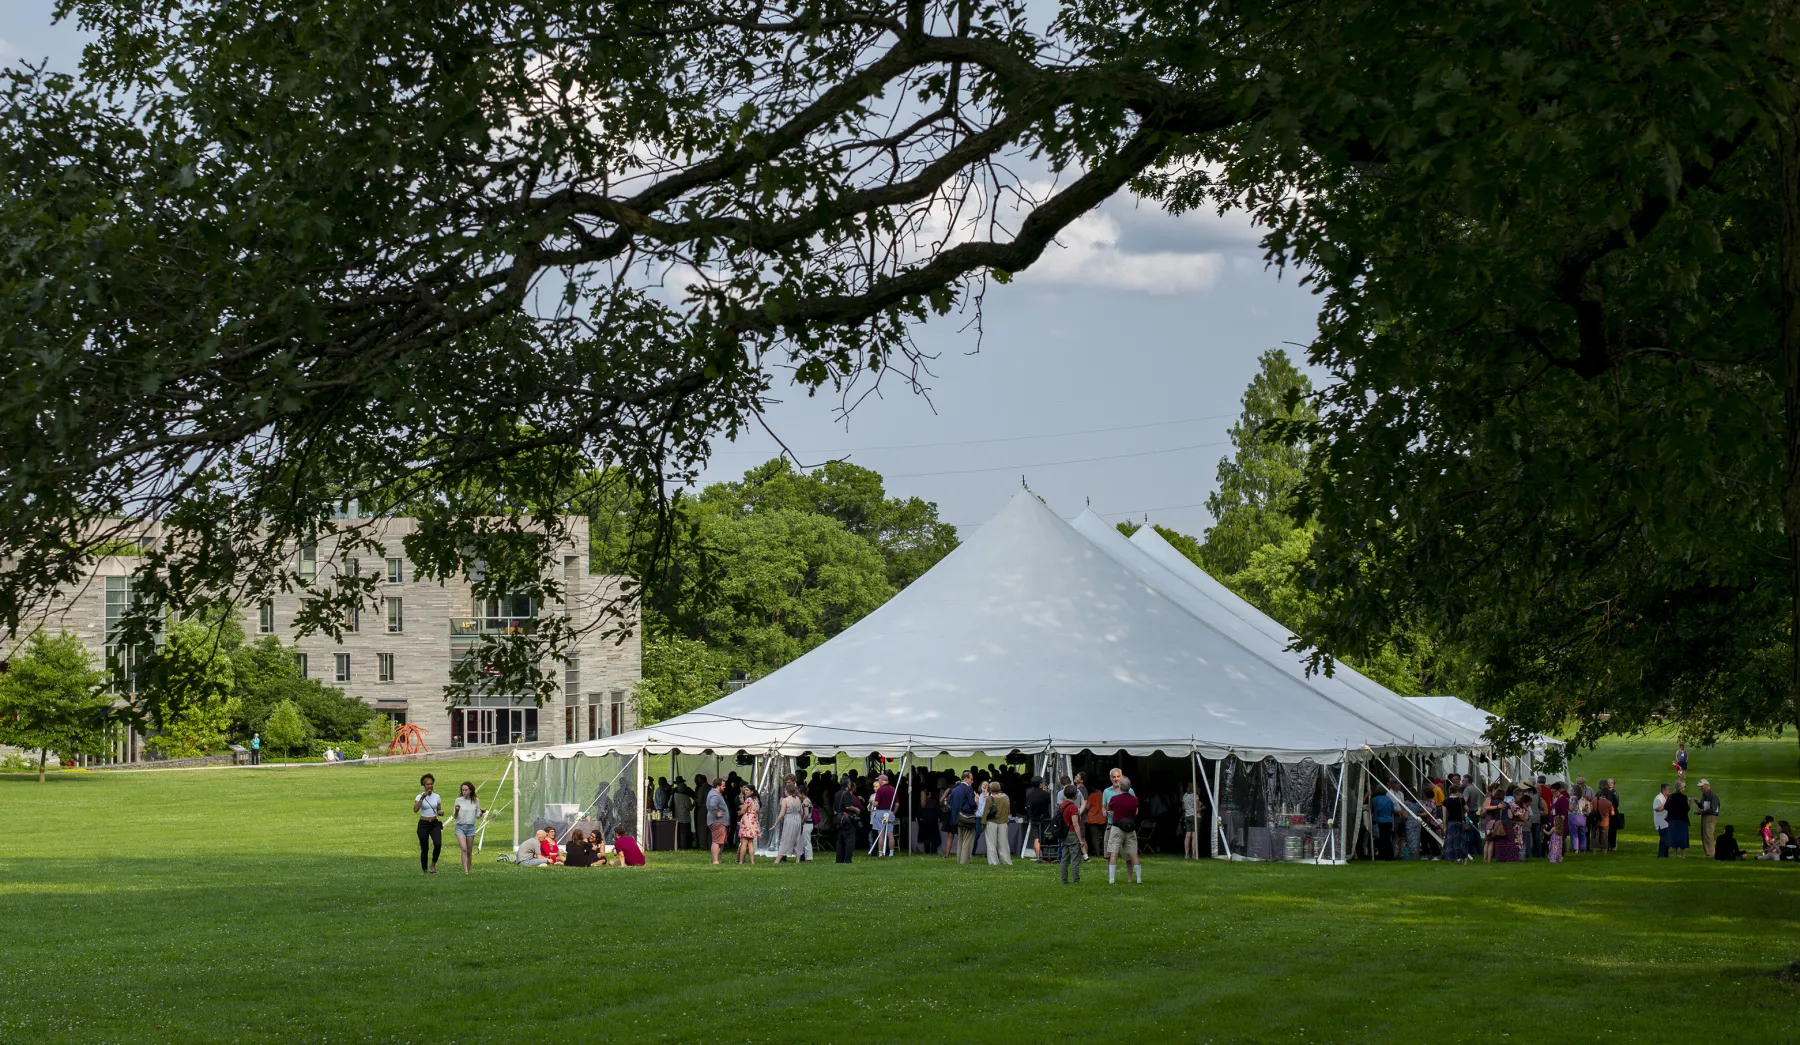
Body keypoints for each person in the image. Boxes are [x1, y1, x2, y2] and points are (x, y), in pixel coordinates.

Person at [1105, 775, 1142, 885]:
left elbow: (1109, 808)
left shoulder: (1115, 799)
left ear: (1120, 786)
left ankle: (1111, 880)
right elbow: (1135, 812)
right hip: (1130, 828)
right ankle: (1139, 879)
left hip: (1117, 828)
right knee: (1134, 854)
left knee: (1113, 854)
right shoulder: (1135, 799)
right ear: (1129, 787)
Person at [413, 773, 443, 875]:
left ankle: (433, 865)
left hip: (434, 823)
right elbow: (415, 810)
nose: (429, 786)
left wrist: (440, 812)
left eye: (431, 784)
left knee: (438, 844)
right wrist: (422, 798)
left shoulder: (437, 796)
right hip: (423, 824)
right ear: (424, 785)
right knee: (425, 847)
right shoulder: (419, 796)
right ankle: (425, 870)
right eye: (427, 784)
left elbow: (438, 809)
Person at [450, 780, 483, 874]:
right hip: (460, 826)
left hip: (470, 827)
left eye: (466, 790)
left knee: (469, 851)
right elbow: (455, 816)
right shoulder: (458, 800)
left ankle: (468, 869)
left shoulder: (476, 801)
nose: (464, 792)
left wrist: (482, 813)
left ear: (471, 791)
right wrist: (456, 810)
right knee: (463, 849)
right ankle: (466, 871)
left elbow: (477, 815)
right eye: (462, 790)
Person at [946, 771, 978, 864]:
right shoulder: (968, 789)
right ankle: (964, 861)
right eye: (971, 779)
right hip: (967, 817)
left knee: (960, 840)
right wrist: (976, 801)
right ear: (966, 779)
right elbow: (972, 804)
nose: (972, 781)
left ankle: (959, 859)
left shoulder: (955, 789)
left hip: (957, 818)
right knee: (967, 840)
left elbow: (950, 804)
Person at [833, 776, 862, 864]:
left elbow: (835, 808)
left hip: (838, 818)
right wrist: (856, 809)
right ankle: (847, 859)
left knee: (840, 840)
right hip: (846, 819)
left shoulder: (837, 793)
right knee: (850, 839)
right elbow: (848, 806)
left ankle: (839, 859)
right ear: (847, 784)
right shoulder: (847, 793)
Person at [1057, 785, 1083, 884]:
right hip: (1072, 833)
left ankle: (1064, 880)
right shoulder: (1073, 807)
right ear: (1075, 795)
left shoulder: (1061, 805)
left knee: (1064, 858)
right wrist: (1080, 839)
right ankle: (1076, 880)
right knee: (1075, 858)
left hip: (1064, 833)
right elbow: (1075, 824)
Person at [984, 781, 1013, 866]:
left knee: (991, 843)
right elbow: (1008, 811)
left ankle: (993, 862)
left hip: (991, 822)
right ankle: (1006, 861)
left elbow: (985, 812)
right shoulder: (1005, 799)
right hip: (1003, 823)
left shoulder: (989, 799)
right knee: (1003, 843)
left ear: (990, 789)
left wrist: (983, 823)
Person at [1025, 777, 1053, 862]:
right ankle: (1047, 855)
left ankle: (1038, 857)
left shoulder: (1029, 794)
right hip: (1045, 818)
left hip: (1034, 818)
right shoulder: (1046, 794)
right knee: (1047, 836)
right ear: (1040, 784)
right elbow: (1049, 802)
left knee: (1036, 838)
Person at [871, 773, 898, 857]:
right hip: (889, 812)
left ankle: (880, 853)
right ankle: (891, 852)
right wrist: (893, 812)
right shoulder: (893, 789)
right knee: (890, 834)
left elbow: (876, 804)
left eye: (878, 780)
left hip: (880, 812)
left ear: (882, 780)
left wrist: (872, 802)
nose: (878, 781)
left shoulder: (880, 790)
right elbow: (897, 804)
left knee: (881, 834)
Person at [706, 777, 730, 865]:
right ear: (718, 786)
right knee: (716, 841)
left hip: (720, 822)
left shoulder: (715, 793)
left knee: (721, 841)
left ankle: (718, 860)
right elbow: (712, 805)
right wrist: (716, 813)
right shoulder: (715, 795)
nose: (724, 787)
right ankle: (715, 861)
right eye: (723, 786)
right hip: (717, 822)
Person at [1665, 781, 1691, 858]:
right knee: (1682, 837)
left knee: (1674, 836)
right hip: (1682, 819)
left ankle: (1674, 854)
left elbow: (1666, 807)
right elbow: (1686, 809)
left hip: (1672, 819)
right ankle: (1683, 855)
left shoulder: (1671, 797)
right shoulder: (1684, 797)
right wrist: (1691, 803)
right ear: (1681, 788)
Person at [1370, 785, 1397, 861]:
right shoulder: (1388, 799)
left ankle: (1382, 854)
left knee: (1380, 838)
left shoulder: (1374, 799)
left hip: (1379, 821)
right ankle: (1390, 855)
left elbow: (1371, 810)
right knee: (1387, 838)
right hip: (1389, 821)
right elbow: (1392, 810)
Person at [1695, 779, 1720, 858]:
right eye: (1700, 787)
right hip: (1705, 816)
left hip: (1711, 817)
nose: (1700, 788)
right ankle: (1708, 853)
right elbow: (1703, 806)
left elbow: (1713, 809)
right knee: (1704, 834)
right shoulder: (1704, 794)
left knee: (1708, 835)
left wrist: (1701, 812)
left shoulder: (1712, 796)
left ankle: (1711, 854)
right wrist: (1696, 802)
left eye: (1702, 786)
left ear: (1707, 785)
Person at [737, 786, 761, 865]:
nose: (746, 791)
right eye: (745, 790)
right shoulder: (756, 799)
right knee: (750, 842)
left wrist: (740, 812)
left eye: (747, 790)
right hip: (754, 820)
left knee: (744, 842)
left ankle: (741, 861)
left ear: (752, 791)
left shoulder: (748, 800)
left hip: (747, 820)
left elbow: (743, 811)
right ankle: (752, 861)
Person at [1083, 787, 1106, 863]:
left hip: (1092, 819)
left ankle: (1097, 854)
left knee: (1095, 837)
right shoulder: (1104, 795)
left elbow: (1087, 807)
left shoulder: (1092, 795)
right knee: (1104, 837)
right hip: (1103, 818)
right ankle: (1104, 852)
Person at [671, 779, 696, 850]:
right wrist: (694, 803)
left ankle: (677, 845)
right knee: (684, 833)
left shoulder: (674, 795)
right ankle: (683, 846)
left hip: (675, 817)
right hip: (684, 818)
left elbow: (670, 804)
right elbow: (690, 808)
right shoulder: (686, 797)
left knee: (677, 833)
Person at [1547, 782, 1568, 863]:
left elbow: (1563, 814)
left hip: (1559, 823)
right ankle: (1553, 855)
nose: (1553, 793)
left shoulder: (1563, 800)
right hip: (1554, 821)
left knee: (1559, 840)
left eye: (1554, 792)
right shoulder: (1554, 798)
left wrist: (1559, 825)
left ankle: (1560, 856)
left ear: (1559, 790)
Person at [1601, 778, 1623, 851]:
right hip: (1607, 813)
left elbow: (1616, 803)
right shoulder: (1605, 792)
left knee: (1612, 830)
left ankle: (1612, 845)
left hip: (1612, 813)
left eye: (1611, 782)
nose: (1610, 783)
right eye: (1608, 782)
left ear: (1613, 784)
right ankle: (1608, 844)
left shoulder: (1614, 792)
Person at [1181, 780, 1201, 859]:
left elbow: (1183, 807)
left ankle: (1186, 854)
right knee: (1194, 836)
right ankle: (1193, 854)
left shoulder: (1184, 796)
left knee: (1187, 835)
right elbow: (1197, 809)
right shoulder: (1195, 796)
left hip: (1187, 816)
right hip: (1195, 816)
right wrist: (1202, 807)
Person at [1652, 783, 1671, 858]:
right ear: (1663, 790)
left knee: (1668, 839)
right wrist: (1667, 806)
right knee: (1664, 839)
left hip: (1667, 822)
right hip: (1661, 822)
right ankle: (1661, 855)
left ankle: (1665, 854)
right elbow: (1657, 809)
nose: (1670, 791)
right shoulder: (1658, 798)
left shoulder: (1667, 797)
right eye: (1668, 789)